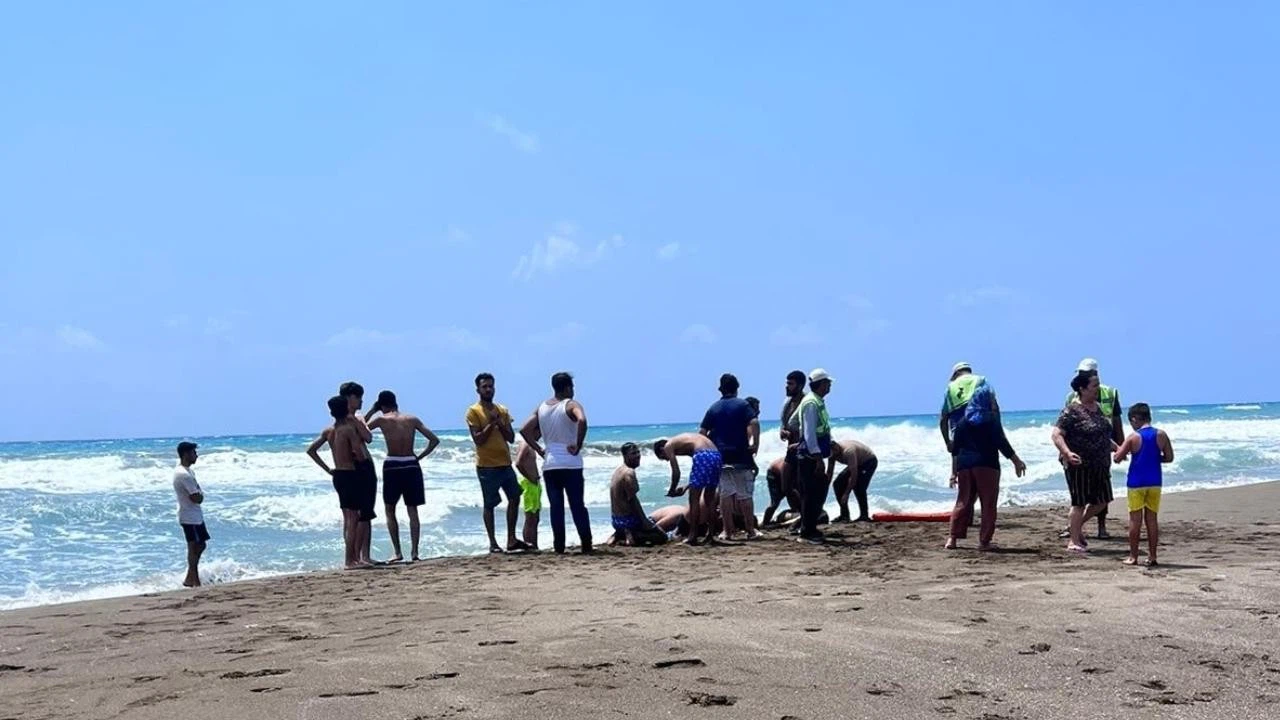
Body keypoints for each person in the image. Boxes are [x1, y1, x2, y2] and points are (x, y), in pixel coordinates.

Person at [943, 383, 1027, 550]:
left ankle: (952, 539)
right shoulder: (990, 420)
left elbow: (955, 449)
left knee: (963, 502)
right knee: (988, 504)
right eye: (993, 399)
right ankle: (984, 541)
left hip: (965, 466)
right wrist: (1016, 461)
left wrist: (954, 472)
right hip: (987, 465)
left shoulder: (962, 422)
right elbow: (1001, 442)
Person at [520, 372, 592, 554]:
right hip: (570, 463)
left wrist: (539, 449)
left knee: (556, 507)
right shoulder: (570, 404)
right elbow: (582, 420)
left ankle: (559, 546)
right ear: (568, 387)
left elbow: (524, 430)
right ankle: (586, 544)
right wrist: (578, 445)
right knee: (577, 505)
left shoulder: (542, 407)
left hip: (551, 463)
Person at [364, 390, 440, 562]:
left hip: (392, 464)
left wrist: (372, 410)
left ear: (382, 405)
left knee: (390, 509)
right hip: (411, 463)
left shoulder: (382, 419)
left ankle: (397, 552)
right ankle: (414, 552)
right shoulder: (411, 419)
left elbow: (361, 430)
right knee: (412, 509)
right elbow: (434, 440)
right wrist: (418, 456)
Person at [1052, 372, 1116, 553]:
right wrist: (1067, 452)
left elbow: (1102, 433)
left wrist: (1117, 448)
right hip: (1079, 464)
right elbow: (1056, 435)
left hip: (1101, 463)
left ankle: (1076, 527)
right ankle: (1073, 541)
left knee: (1103, 501)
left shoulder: (1098, 407)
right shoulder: (1071, 411)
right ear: (1082, 389)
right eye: (1094, 385)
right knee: (1079, 503)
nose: (1098, 389)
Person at [307, 395, 374, 568]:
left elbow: (311, 450)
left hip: (338, 475)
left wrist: (328, 469)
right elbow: (358, 453)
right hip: (351, 474)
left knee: (349, 517)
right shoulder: (348, 430)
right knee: (353, 518)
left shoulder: (328, 431)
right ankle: (350, 560)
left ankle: (351, 559)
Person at [464, 373, 527, 554]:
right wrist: (491, 424)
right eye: (484, 386)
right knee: (490, 504)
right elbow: (478, 440)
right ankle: (492, 542)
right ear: (478, 389)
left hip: (505, 463)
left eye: (491, 386)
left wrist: (500, 422)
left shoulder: (502, 410)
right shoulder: (473, 411)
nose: (488, 389)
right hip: (486, 465)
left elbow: (511, 437)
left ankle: (511, 539)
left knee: (515, 497)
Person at [1063, 358, 1124, 539]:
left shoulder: (1109, 393)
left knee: (1102, 495)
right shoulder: (1072, 397)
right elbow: (1063, 428)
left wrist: (1120, 447)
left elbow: (1116, 422)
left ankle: (1098, 526)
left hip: (1101, 451)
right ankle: (1075, 530)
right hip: (1079, 455)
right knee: (1080, 497)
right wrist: (1064, 452)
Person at [699, 373, 762, 541]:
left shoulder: (713, 408)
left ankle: (727, 531)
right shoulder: (743, 405)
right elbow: (754, 423)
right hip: (741, 455)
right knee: (745, 494)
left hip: (721, 456)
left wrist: (710, 449)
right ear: (737, 388)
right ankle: (750, 530)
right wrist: (755, 444)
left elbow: (702, 432)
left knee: (725, 494)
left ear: (721, 389)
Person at [1113, 403, 1174, 566]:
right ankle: (1153, 556)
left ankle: (1133, 556)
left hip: (1136, 482)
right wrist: (1153, 458)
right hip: (1155, 481)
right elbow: (1169, 457)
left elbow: (1117, 458)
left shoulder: (1134, 437)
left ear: (1134, 419)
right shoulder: (1161, 434)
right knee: (1152, 520)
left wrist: (1122, 451)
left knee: (1135, 520)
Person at [790, 368, 835, 544]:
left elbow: (794, 422)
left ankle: (810, 529)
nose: (830, 385)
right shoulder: (811, 403)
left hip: (811, 454)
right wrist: (817, 458)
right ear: (822, 384)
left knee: (814, 493)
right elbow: (809, 434)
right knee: (810, 494)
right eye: (828, 382)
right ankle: (807, 533)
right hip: (809, 457)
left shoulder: (815, 401)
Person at [652, 433, 718, 544]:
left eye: (664, 457)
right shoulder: (685, 443)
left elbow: (676, 472)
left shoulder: (668, 445)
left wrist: (672, 490)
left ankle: (692, 536)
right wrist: (687, 486)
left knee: (694, 500)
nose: (667, 460)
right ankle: (710, 536)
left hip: (703, 455)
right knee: (710, 500)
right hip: (716, 455)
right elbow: (702, 471)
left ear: (662, 449)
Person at [608, 443, 669, 547]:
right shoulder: (629, 473)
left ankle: (620, 533)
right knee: (662, 537)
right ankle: (631, 535)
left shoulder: (618, 470)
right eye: (633, 453)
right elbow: (633, 501)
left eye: (638, 452)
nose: (637, 455)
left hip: (616, 521)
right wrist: (644, 521)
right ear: (625, 456)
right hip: (628, 521)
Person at [173, 441, 207, 588]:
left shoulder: (188, 471)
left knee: (201, 544)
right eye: (194, 452)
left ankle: (190, 577)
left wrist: (200, 495)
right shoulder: (183, 474)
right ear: (186, 454)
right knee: (194, 546)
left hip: (194, 515)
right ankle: (194, 579)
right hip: (189, 516)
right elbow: (196, 497)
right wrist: (200, 495)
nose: (196, 455)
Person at [778, 370, 807, 526]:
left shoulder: (806, 402)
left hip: (803, 450)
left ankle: (805, 517)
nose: (787, 387)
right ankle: (800, 513)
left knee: (802, 486)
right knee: (786, 485)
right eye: (787, 383)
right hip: (790, 450)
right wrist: (782, 432)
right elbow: (784, 424)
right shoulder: (787, 403)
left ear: (800, 385)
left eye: (791, 384)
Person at [828, 439, 879, 523]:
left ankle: (864, 516)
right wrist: (824, 489)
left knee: (859, 487)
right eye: (831, 453)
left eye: (835, 451)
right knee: (837, 484)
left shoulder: (848, 452)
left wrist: (846, 494)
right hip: (856, 463)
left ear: (837, 446)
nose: (834, 455)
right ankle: (844, 516)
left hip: (869, 461)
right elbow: (829, 472)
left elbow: (853, 475)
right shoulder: (831, 454)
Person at [514, 439, 542, 550]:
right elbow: (518, 463)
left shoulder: (530, 444)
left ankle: (534, 544)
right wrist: (530, 478)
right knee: (530, 517)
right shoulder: (526, 443)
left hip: (533, 483)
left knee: (535, 517)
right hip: (529, 483)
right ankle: (529, 544)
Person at [762, 457, 799, 526]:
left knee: (796, 494)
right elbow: (785, 488)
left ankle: (796, 512)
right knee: (775, 502)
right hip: (774, 474)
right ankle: (765, 523)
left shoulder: (803, 463)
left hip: (786, 474)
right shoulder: (787, 466)